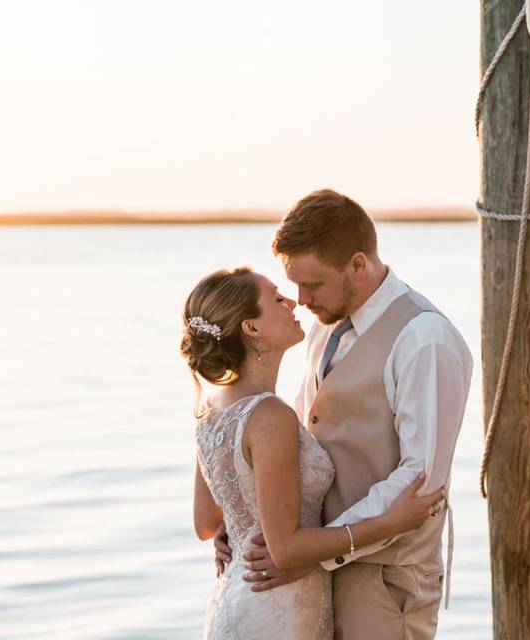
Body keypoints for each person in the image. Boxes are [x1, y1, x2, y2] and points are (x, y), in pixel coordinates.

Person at [214, 190, 473, 639]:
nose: (299, 299)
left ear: (357, 264)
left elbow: (422, 481)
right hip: (313, 570)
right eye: (293, 284)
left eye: (312, 284)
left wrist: (309, 551)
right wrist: (248, 516)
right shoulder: (324, 329)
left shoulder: (423, 339)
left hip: (387, 580)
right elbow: (302, 435)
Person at [182, 266, 446, 639]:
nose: (292, 300)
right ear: (251, 328)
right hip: (278, 611)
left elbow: (207, 523)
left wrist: (243, 523)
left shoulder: (213, 406)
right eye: (276, 298)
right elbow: (287, 552)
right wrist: (391, 523)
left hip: (238, 599)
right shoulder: (270, 416)